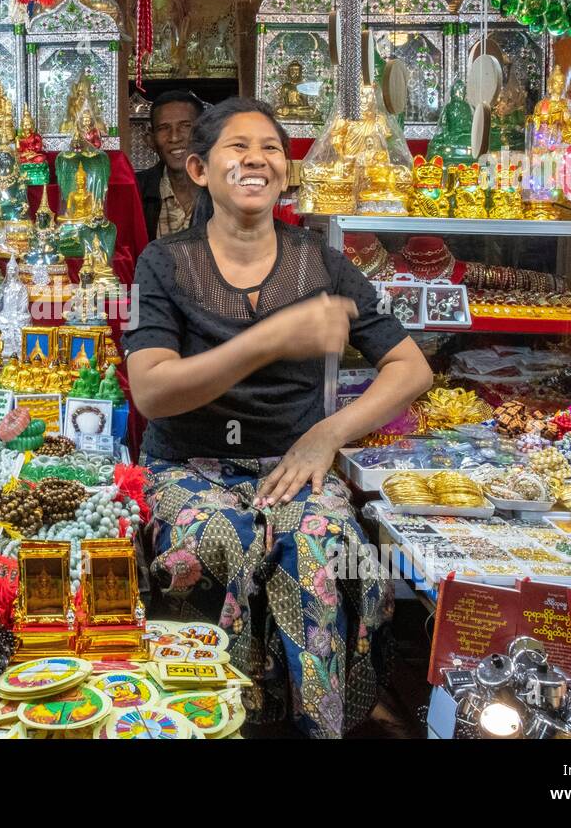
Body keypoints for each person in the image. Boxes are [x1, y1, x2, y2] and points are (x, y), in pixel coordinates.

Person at [124, 97, 434, 738]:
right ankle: (219, 719)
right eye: (236, 147)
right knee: (227, 540)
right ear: (199, 168)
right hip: (187, 467)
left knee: (323, 548)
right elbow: (151, 393)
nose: (256, 159)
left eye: (270, 147)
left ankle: (316, 726)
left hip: (293, 468)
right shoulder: (163, 262)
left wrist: (327, 434)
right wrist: (269, 339)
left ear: (286, 172)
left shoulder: (321, 263)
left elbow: (410, 369)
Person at [136, 90, 203, 243]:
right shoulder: (137, 191)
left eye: (185, 126)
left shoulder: (224, 190)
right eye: (164, 128)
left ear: (204, 133)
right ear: (150, 140)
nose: (174, 137)